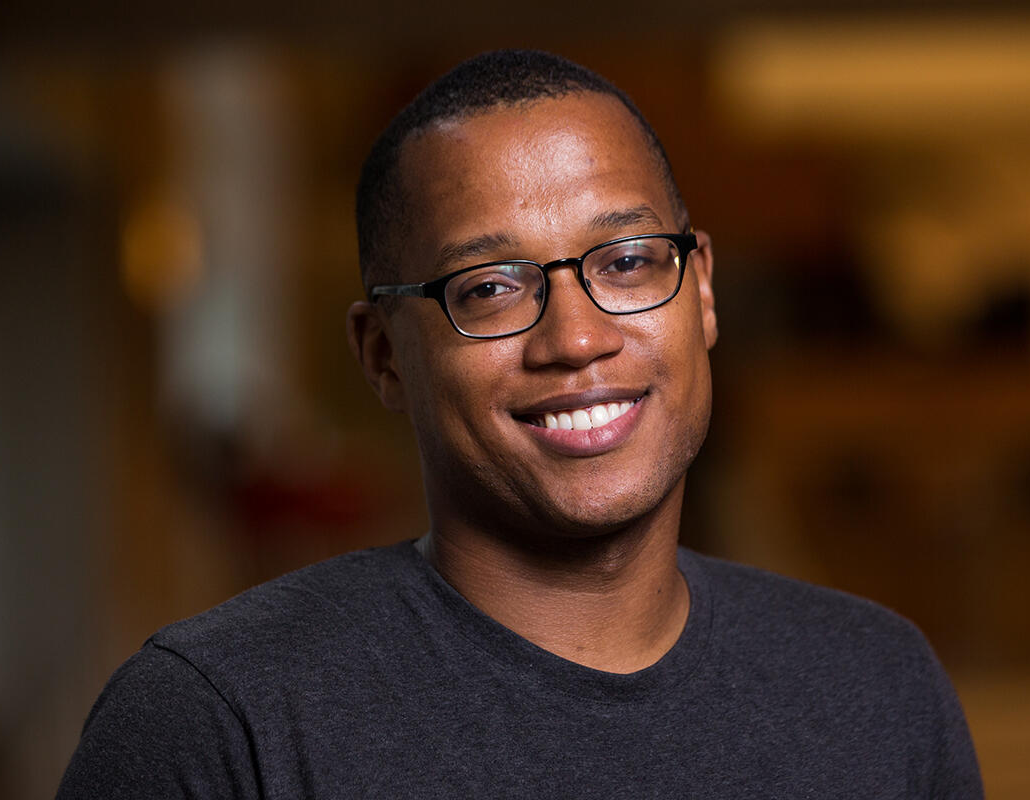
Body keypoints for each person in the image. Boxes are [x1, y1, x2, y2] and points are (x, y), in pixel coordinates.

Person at [58, 50, 982, 798]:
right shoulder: (219, 721)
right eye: (492, 288)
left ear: (700, 291)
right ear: (382, 352)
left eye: (624, 261)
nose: (577, 339)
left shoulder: (878, 686)